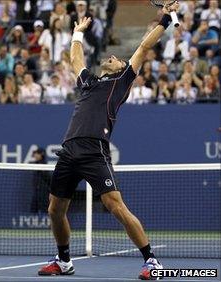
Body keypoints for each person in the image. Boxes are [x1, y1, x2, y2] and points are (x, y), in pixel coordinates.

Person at [37, 2, 180, 279]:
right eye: (111, 57)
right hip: (69, 151)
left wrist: (164, 19)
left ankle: (151, 261)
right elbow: (75, 60)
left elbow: (143, 48)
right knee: (55, 209)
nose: (112, 56)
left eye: (117, 58)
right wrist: (77, 33)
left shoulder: (122, 81)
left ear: (123, 68)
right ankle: (64, 260)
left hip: (94, 151)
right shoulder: (89, 82)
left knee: (115, 205)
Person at [29, 147, 50, 214]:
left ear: (42, 154)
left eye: (37, 153)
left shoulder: (43, 166)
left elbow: (48, 179)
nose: (35, 155)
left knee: (45, 212)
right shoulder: (36, 164)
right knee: (33, 211)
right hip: (36, 193)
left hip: (43, 194)